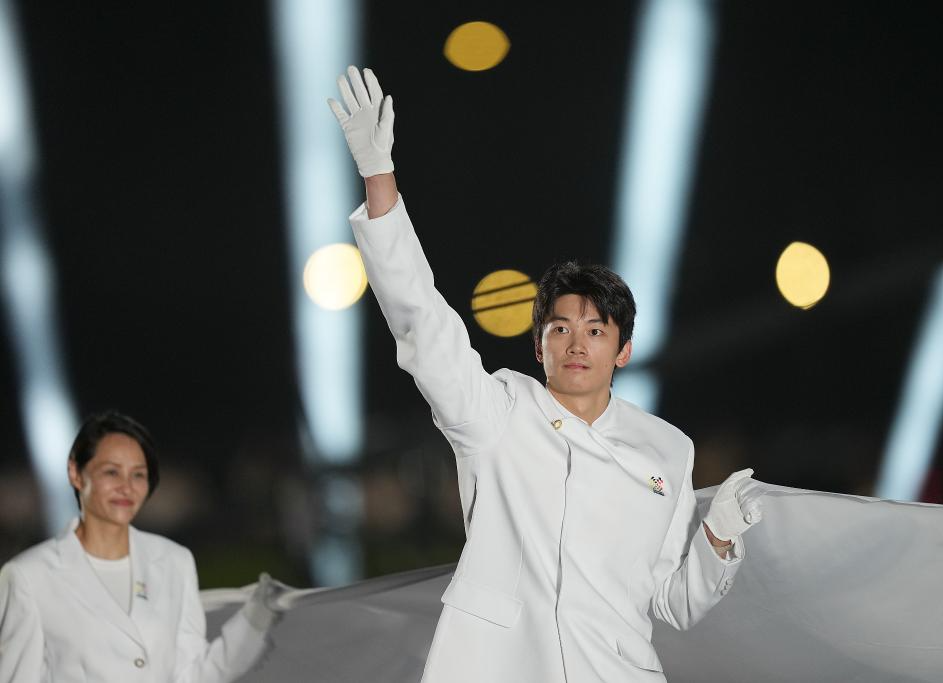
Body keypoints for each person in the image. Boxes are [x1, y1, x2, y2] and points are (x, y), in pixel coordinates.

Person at [329, 66, 765, 683]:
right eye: (561, 329)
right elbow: (423, 322)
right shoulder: (498, 414)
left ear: (623, 351)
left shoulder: (668, 449)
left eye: (596, 331)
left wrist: (717, 540)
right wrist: (379, 175)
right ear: (539, 347)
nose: (577, 344)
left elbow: (673, 603)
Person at [0, 410, 284, 682]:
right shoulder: (28, 576)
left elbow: (193, 674)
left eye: (138, 474)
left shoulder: (175, 562)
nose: (126, 487)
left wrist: (253, 623)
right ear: (76, 473)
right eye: (111, 472)